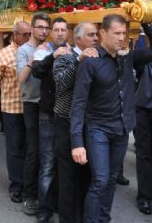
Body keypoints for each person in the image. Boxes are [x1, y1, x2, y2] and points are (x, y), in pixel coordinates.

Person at [70, 14, 152, 223]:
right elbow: (78, 103)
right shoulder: (90, 61)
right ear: (103, 33)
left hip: (122, 129)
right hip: (98, 130)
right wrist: (77, 142)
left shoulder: (128, 56)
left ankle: (104, 219)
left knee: (112, 179)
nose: (122, 37)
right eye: (117, 33)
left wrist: (145, 21)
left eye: (124, 33)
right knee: (101, 180)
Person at [52, 22, 98, 223]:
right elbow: (61, 84)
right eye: (91, 35)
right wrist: (79, 60)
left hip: (91, 124)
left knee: (88, 175)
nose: (95, 38)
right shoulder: (65, 56)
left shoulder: (99, 57)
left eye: (97, 34)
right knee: (68, 176)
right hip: (66, 122)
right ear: (78, 39)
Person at [31, 17, 70, 223]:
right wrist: (54, 56)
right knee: (47, 163)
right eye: (56, 30)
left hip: (68, 117)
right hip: (48, 114)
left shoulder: (75, 52)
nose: (60, 33)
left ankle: (61, 204)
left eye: (64, 30)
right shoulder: (43, 51)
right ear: (51, 33)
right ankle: (44, 208)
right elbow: (37, 72)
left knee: (65, 164)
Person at [0, 21, 32, 204]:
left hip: (32, 107)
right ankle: (16, 184)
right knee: (15, 147)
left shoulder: (35, 50)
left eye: (29, 34)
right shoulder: (5, 54)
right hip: (12, 107)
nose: (28, 37)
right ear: (15, 35)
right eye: (24, 34)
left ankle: (30, 183)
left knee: (30, 148)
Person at [17, 12, 52, 216]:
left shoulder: (51, 48)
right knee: (33, 150)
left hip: (50, 104)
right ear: (32, 28)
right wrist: (33, 59)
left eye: (46, 28)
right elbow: (21, 78)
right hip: (31, 104)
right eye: (40, 27)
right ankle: (29, 195)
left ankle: (46, 194)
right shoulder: (23, 50)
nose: (44, 31)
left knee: (49, 153)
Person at [133, 30, 152, 216]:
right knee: (144, 153)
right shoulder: (144, 58)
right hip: (142, 110)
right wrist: (143, 32)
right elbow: (140, 49)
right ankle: (143, 195)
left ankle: (148, 189)